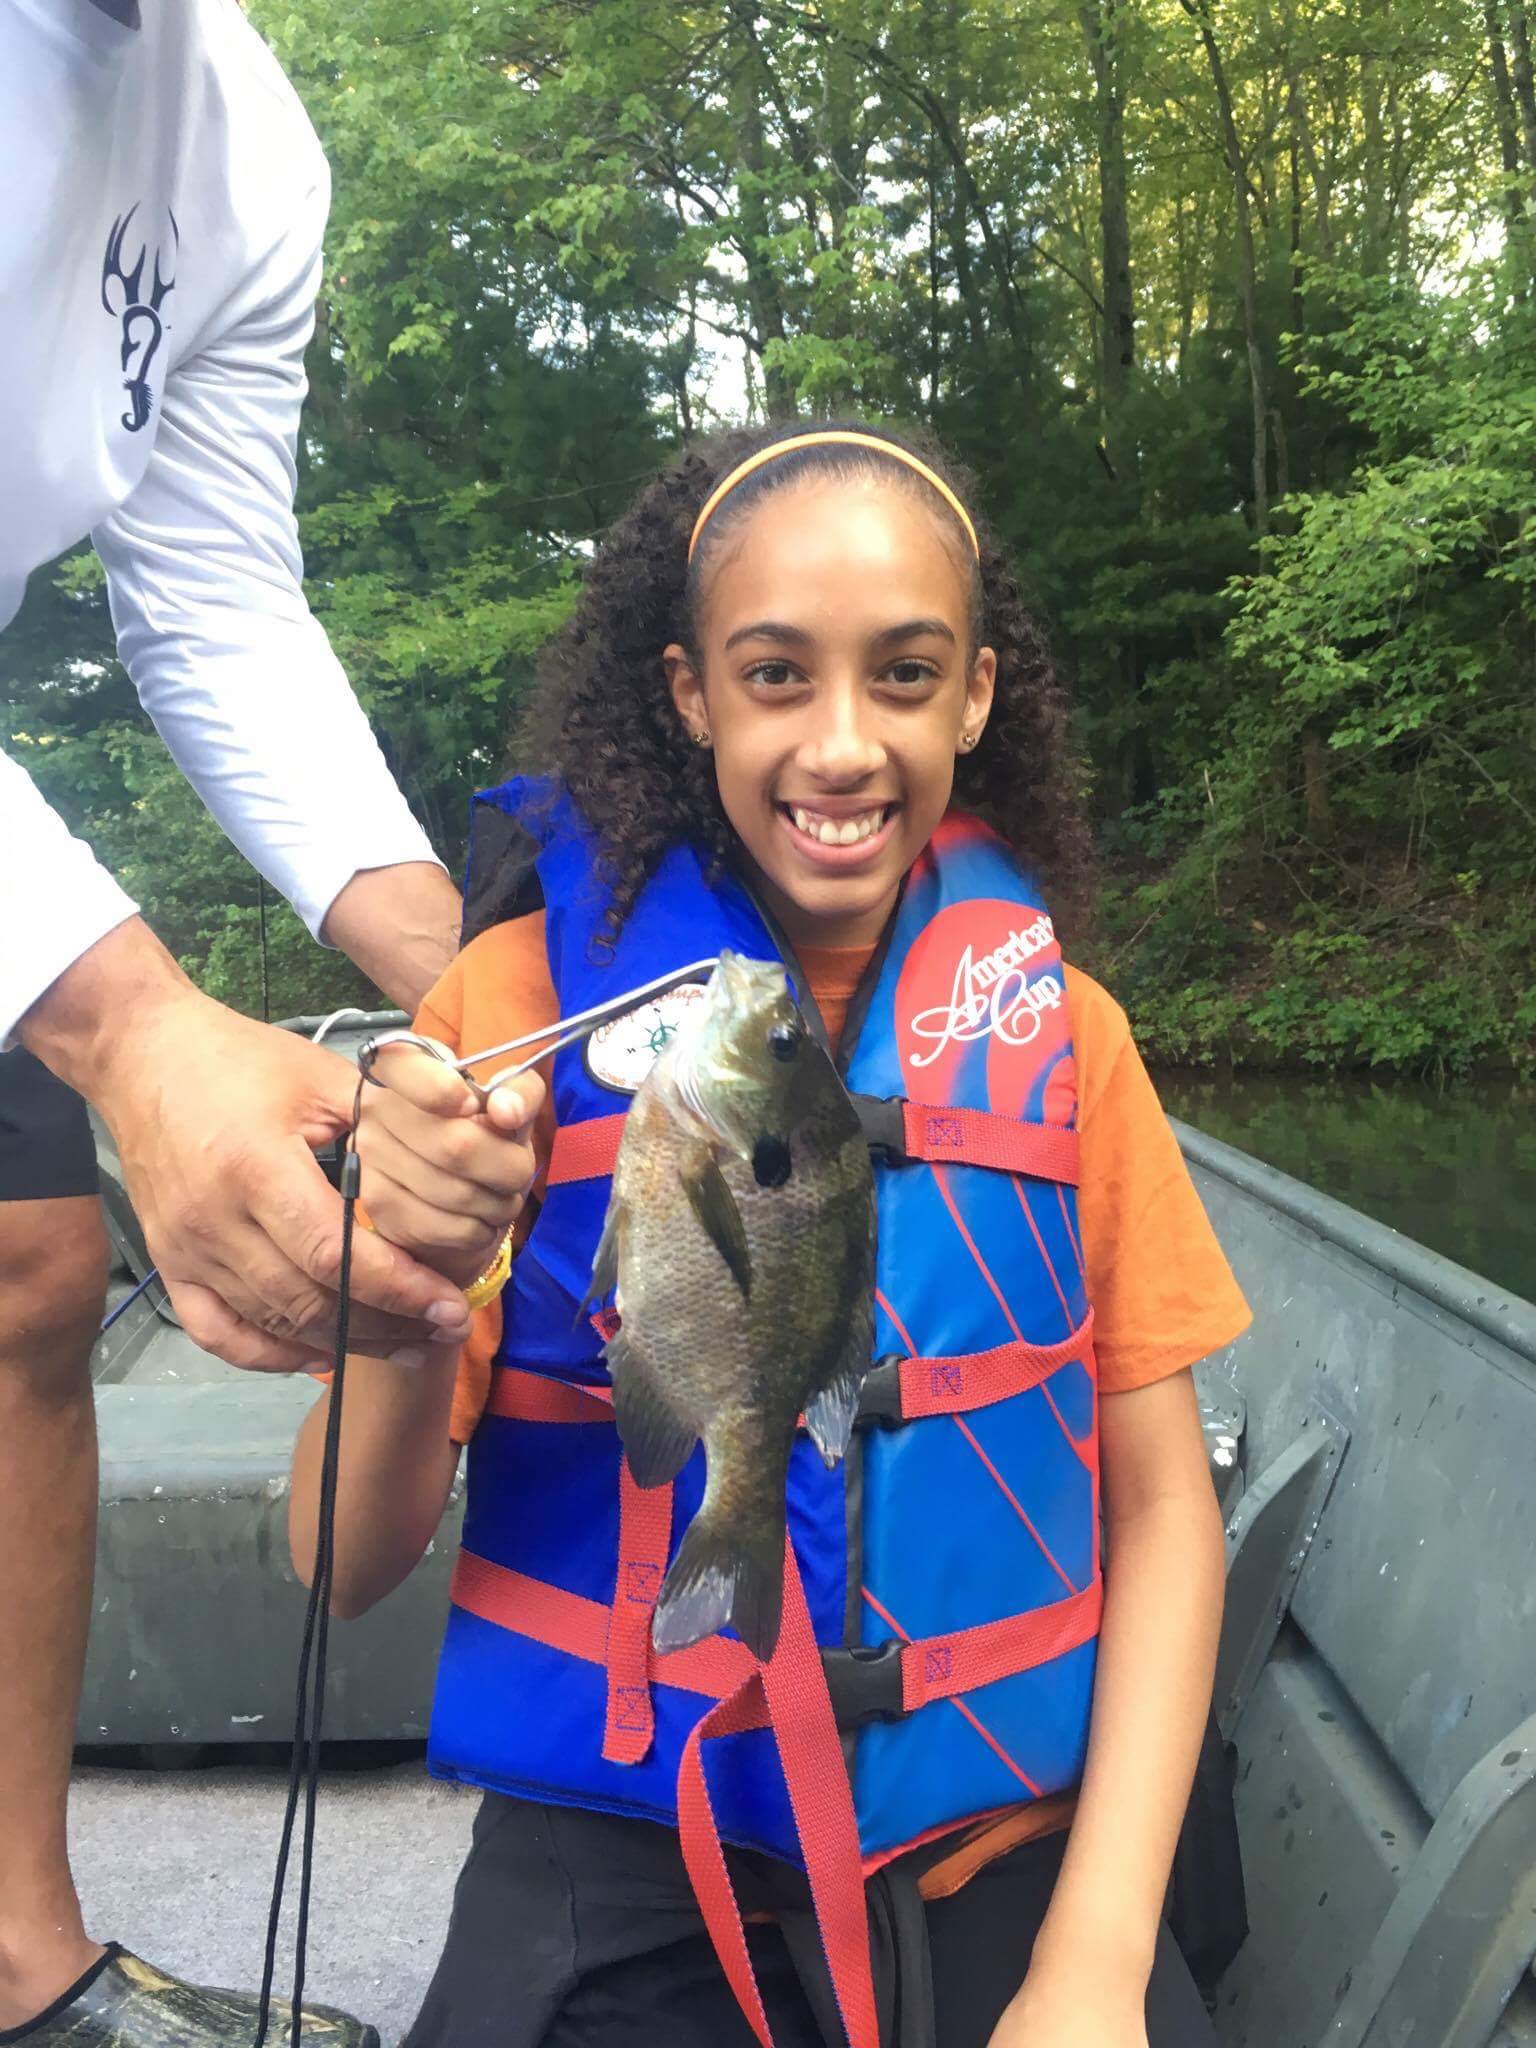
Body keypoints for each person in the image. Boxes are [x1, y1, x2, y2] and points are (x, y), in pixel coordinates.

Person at [290, 423, 1253, 2048]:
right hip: (626, 1836)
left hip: (1001, 1848)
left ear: (976, 699)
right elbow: (340, 1563)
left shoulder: (1068, 1040)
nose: (843, 744)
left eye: (905, 676)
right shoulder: (505, 1020)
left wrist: (1096, 1962)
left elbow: (1166, 1512)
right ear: (690, 696)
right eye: (777, 676)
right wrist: (403, 1288)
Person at [0, 1, 485, 2040]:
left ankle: (16, 1968)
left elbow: (209, 594)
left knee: (34, 1272)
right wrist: (131, 1027)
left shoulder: (252, 156)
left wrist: (480, 983)